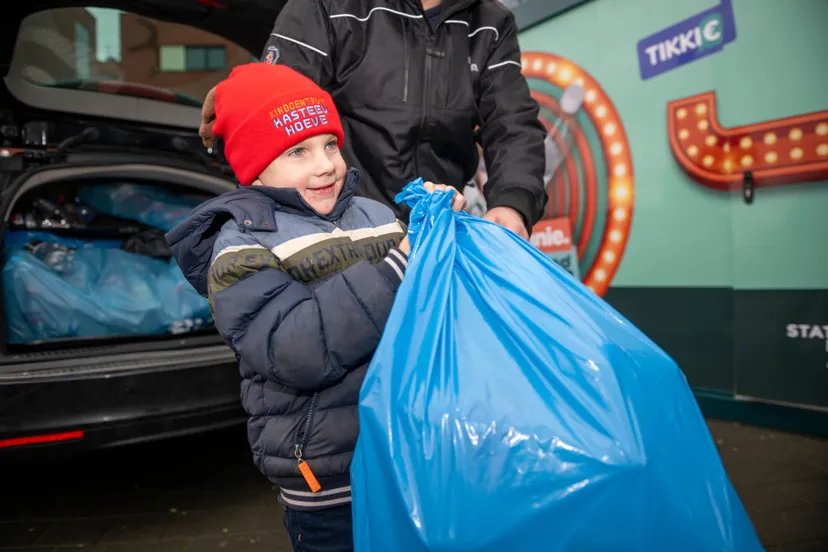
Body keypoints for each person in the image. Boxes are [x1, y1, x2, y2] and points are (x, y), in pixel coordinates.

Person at [166, 63, 465, 551]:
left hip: (411, 456)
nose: (325, 164)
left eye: (330, 144)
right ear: (255, 168)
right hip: (330, 482)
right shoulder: (241, 249)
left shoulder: (375, 215)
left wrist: (440, 234)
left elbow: (429, 307)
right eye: (298, 152)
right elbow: (297, 350)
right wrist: (400, 264)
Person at [198, 0, 546, 239]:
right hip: (336, 230)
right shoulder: (329, 5)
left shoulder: (491, 23)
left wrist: (513, 204)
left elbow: (512, 125)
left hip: (438, 229)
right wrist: (241, 98)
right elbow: (276, 110)